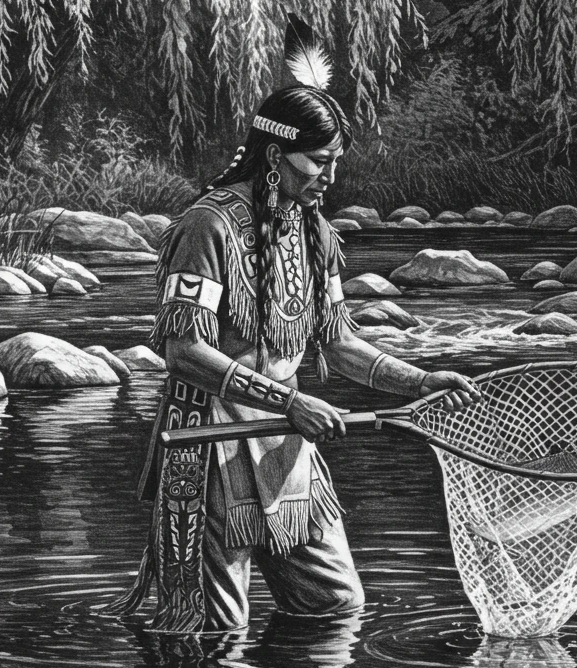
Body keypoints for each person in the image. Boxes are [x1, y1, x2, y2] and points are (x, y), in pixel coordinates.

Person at [109, 82, 479, 633]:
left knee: (335, 605)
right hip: (207, 449)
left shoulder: (316, 231)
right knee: (211, 630)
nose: (329, 178)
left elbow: (339, 342)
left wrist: (419, 381)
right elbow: (183, 351)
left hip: (287, 445)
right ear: (276, 155)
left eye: (336, 163)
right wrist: (291, 399)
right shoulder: (205, 228)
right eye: (320, 162)